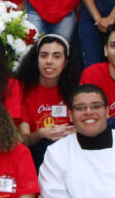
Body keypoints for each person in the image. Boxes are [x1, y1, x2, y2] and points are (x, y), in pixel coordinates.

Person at [16, 34, 79, 169]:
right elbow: (23, 141)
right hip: (36, 156)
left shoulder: (76, 90)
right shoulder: (22, 89)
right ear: (36, 59)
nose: (49, 61)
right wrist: (42, 133)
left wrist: (75, 131)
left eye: (57, 56)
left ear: (66, 62)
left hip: (70, 156)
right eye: (44, 55)